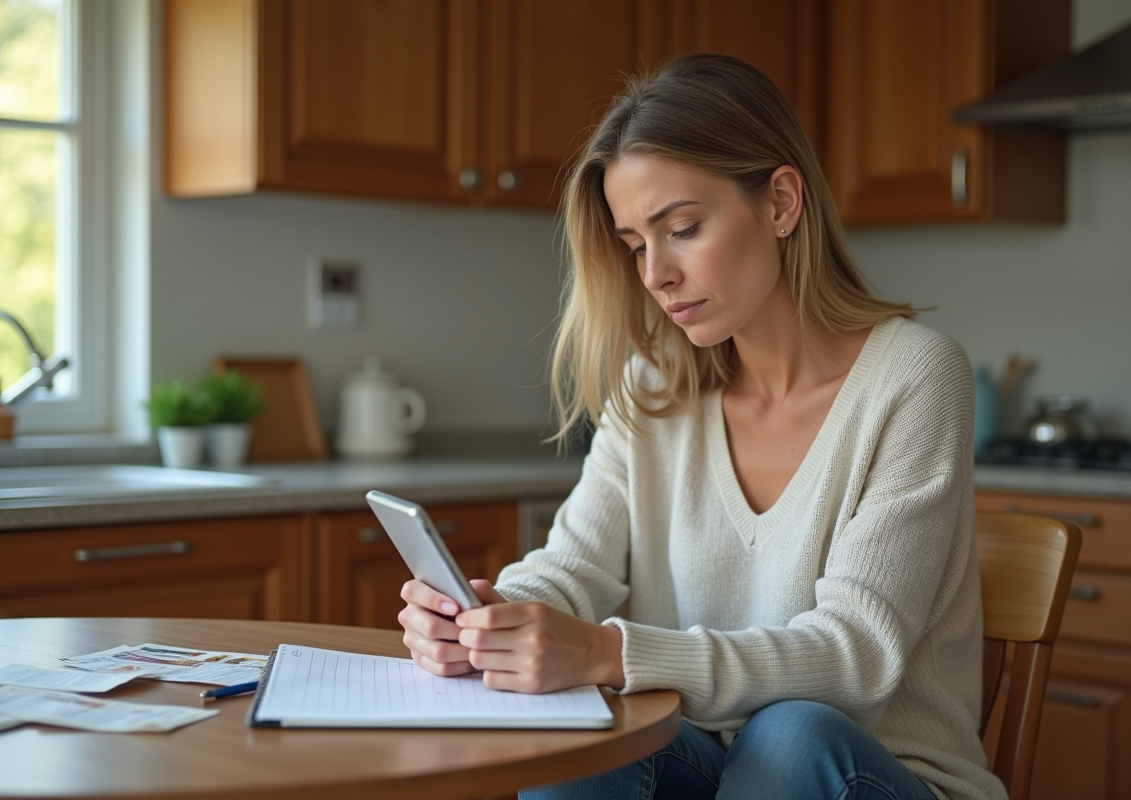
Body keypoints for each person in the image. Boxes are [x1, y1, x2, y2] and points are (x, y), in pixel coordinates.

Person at [398, 52, 1004, 800]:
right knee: (583, 737)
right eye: (634, 245)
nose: (655, 274)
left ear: (781, 202)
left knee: (786, 735)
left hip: (872, 772)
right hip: (716, 765)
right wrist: (494, 618)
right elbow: (574, 568)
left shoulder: (916, 375)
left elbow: (855, 660)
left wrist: (607, 654)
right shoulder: (654, 386)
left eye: (681, 228)